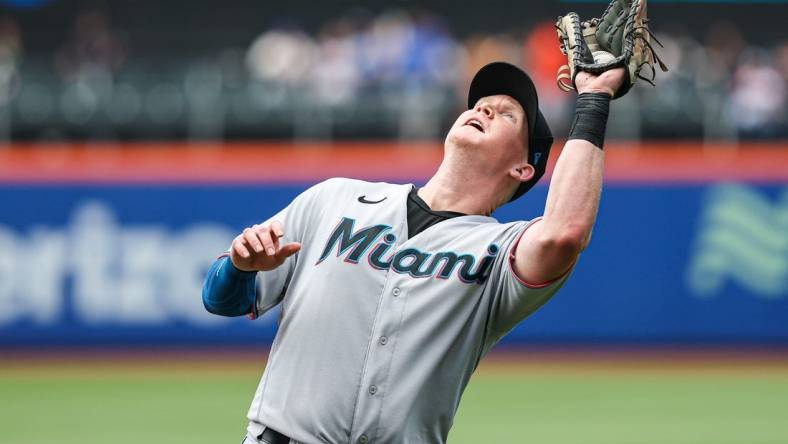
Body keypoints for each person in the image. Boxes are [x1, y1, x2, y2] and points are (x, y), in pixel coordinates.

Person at [202, 61, 624, 444]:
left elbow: (564, 233)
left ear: (523, 169)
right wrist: (240, 268)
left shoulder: (500, 253)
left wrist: (594, 99)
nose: (485, 110)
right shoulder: (335, 199)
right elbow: (220, 300)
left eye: (507, 114)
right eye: (481, 104)